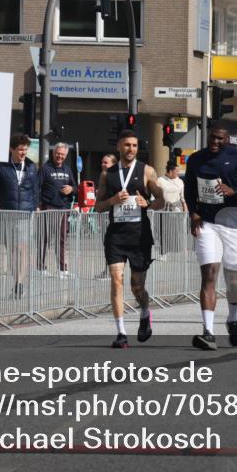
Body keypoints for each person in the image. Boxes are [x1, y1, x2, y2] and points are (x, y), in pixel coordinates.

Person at [184, 121, 237, 350]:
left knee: (233, 279)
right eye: (212, 138)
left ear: (227, 139)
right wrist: (194, 213)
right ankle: (208, 331)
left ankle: (233, 318)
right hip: (208, 222)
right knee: (209, 273)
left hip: (234, 223)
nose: (216, 142)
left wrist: (234, 191)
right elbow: (189, 189)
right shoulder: (197, 159)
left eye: (220, 138)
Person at [95, 130, 165, 348]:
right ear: (119, 146)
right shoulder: (108, 174)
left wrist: (150, 204)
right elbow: (98, 206)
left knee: (137, 287)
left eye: (134, 145)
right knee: (117, 281)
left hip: (139, 237)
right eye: (127, 145)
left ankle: (144, 310)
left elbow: (162, 200)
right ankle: (121, 333)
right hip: (116, 236)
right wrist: (114, 200)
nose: (131, 149)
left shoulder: (147, 171)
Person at [0, 133, 41, 297]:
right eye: (20, 150)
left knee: (22, 248)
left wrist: (36, 206)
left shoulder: (31, 166)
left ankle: (19, 283)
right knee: (12, 250)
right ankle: (16, 279)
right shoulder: (1, 166)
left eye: (25, 149)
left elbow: (35, 189)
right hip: (8, 212)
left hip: (25, 212)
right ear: (11, 149)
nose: (23, 153)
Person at [38, 142, 77, 277]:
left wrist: (71, 189)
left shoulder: (67, 170)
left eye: (62, 154)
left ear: (65, 156)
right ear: (53, 153)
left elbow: (75, 186)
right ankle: (40, 268)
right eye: (57, 153)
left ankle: (62, 269)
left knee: (62, 239)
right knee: (45, 238)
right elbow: (37, 187)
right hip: (48, 207)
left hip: (63, 209)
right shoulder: (45, 168)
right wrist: (38, 205)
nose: (59, 156)